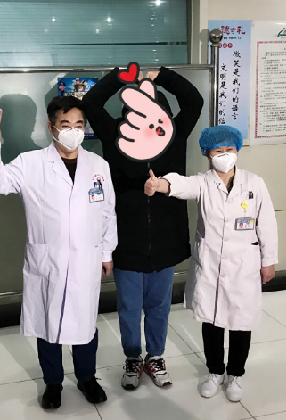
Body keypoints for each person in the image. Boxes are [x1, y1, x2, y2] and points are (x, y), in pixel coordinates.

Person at [0, 96, 118, 409]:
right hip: (49, 262)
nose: (73, 131)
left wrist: (107, 252)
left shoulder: (98, 166)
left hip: (86, 260)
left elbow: (108, 212)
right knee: (48, 324)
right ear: (50, 127)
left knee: (85, 325)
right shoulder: (31, 163)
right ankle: (53, 383)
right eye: (65, 124)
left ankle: (87, 378)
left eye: (79, 124)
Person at [82, 67, 203, 389]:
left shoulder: (175, 135)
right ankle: (133, 357)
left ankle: (156, 356)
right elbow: (91, 103)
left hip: (166, 237)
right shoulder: (114, 137)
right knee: (129, 306)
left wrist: (162, 75)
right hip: (126, 238)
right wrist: (119, 76)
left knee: (159, 305)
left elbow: (193, 100)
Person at [143, 125, 278, 402]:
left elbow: (267, 224)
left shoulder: (254, 183)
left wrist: (268, 261)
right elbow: (180, 185)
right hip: (212, 264)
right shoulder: (203, 182)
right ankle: (215, 372)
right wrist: (160, 185)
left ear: (237, 150)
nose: (225, 155)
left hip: (244, 265)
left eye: (229, 149)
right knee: (212, 321)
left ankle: (235, 374)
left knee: (241, 322)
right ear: (207, 153)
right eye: (218, 151)